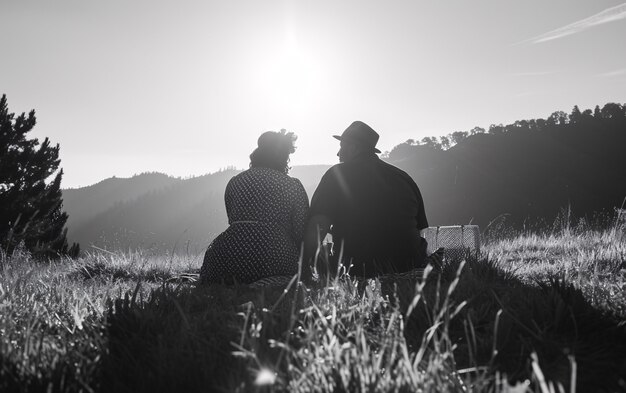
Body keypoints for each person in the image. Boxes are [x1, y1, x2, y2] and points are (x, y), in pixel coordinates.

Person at [305, 120, 437, 279]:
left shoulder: (337, 175)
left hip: (357, 267)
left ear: (353, 148)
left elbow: (318, 228)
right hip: (409, 264)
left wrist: (303, 265)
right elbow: (420, 230)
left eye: (341, 147)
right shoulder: (404, 178)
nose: (338, 154)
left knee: (324, 255)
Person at [200, 130, 309, 285]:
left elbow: (232, 219)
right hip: (274, 258)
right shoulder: (292, 185)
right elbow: (300, 230)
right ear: (284, 158)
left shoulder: (235, 181)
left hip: (223, 257)